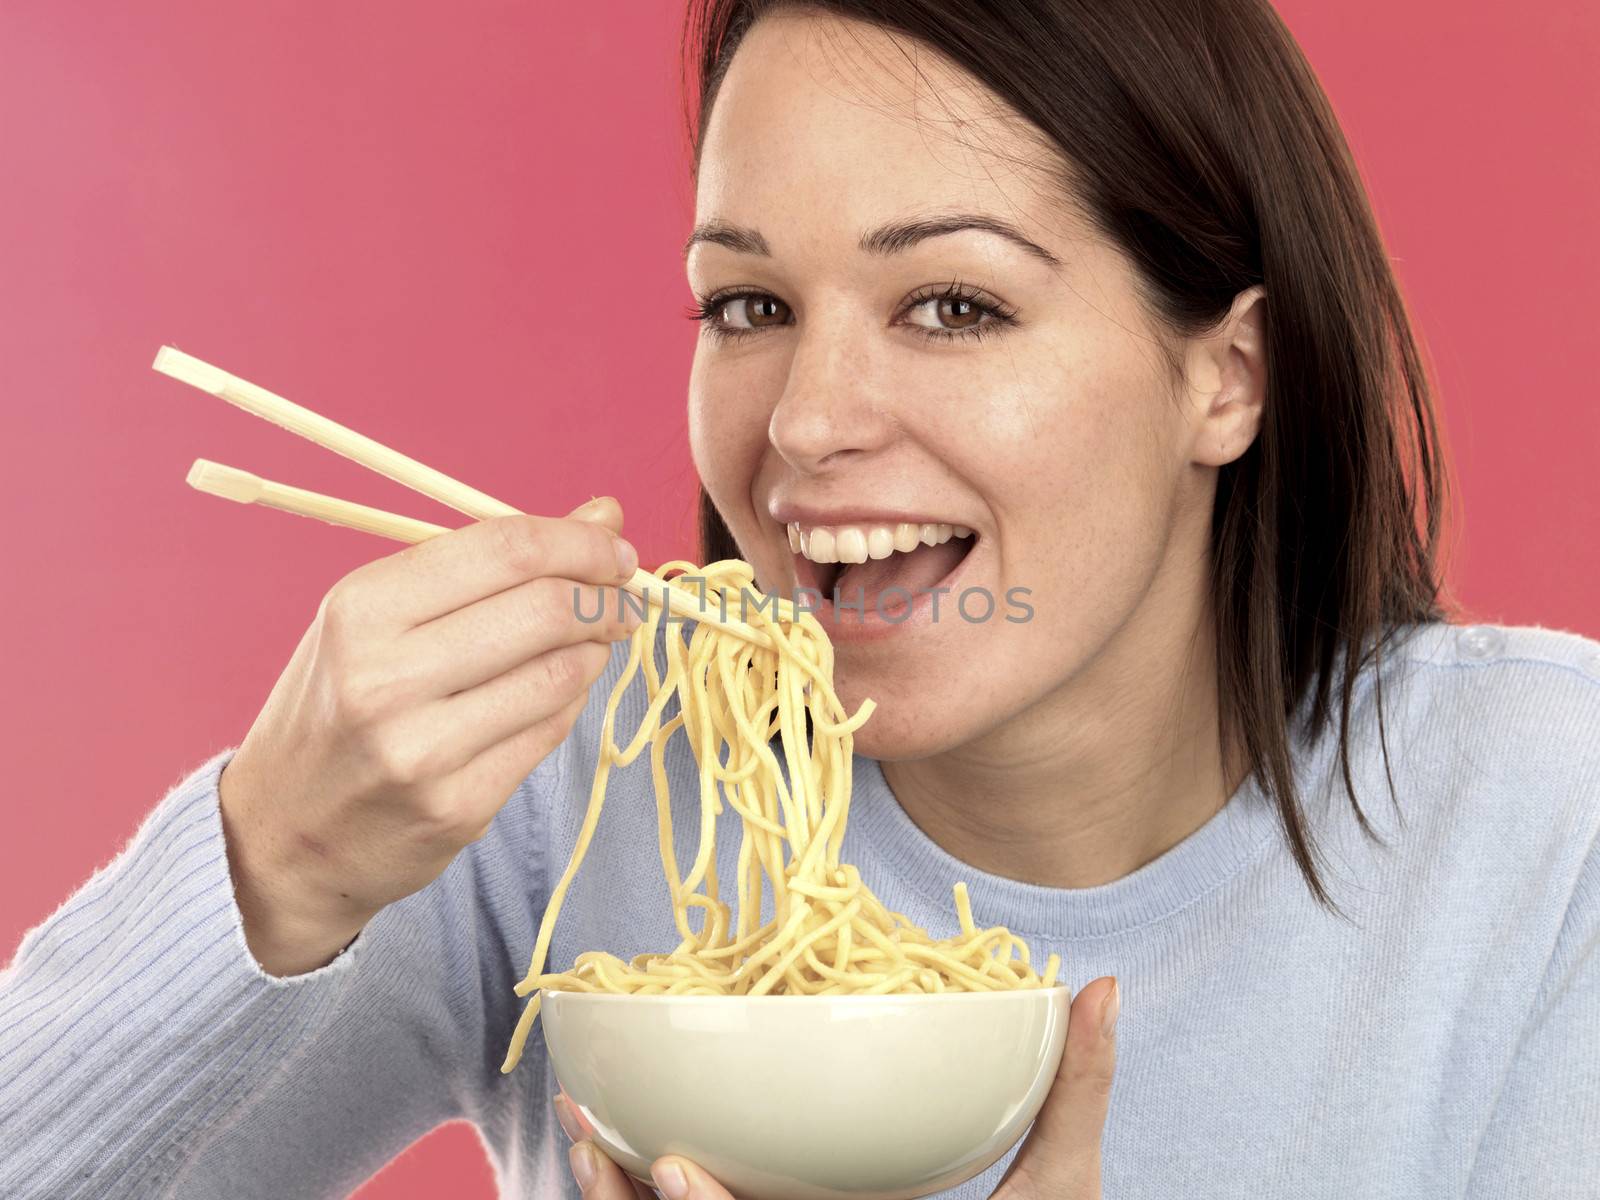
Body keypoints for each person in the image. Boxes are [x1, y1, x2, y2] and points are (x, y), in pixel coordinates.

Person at [3, 1, 1597, 1197]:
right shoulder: (570, 784)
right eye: (749, 303)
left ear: (1226, 377)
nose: (808, 423)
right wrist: (273, 858)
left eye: (955, 304)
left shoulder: (1546, 820)